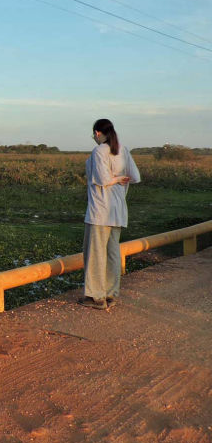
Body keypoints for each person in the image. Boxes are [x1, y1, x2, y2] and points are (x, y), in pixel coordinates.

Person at [80, 118, 141, 309]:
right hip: (117, 211)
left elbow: (103, 179)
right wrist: (122, 178)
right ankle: (111, 293)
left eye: (94, 135)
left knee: (95, 254)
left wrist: (117, 178)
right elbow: (136, 177)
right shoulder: (123, 149)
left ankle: (96, 297)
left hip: (100, 211)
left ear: (97, 133)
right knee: (112, 253)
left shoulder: (99, 151)